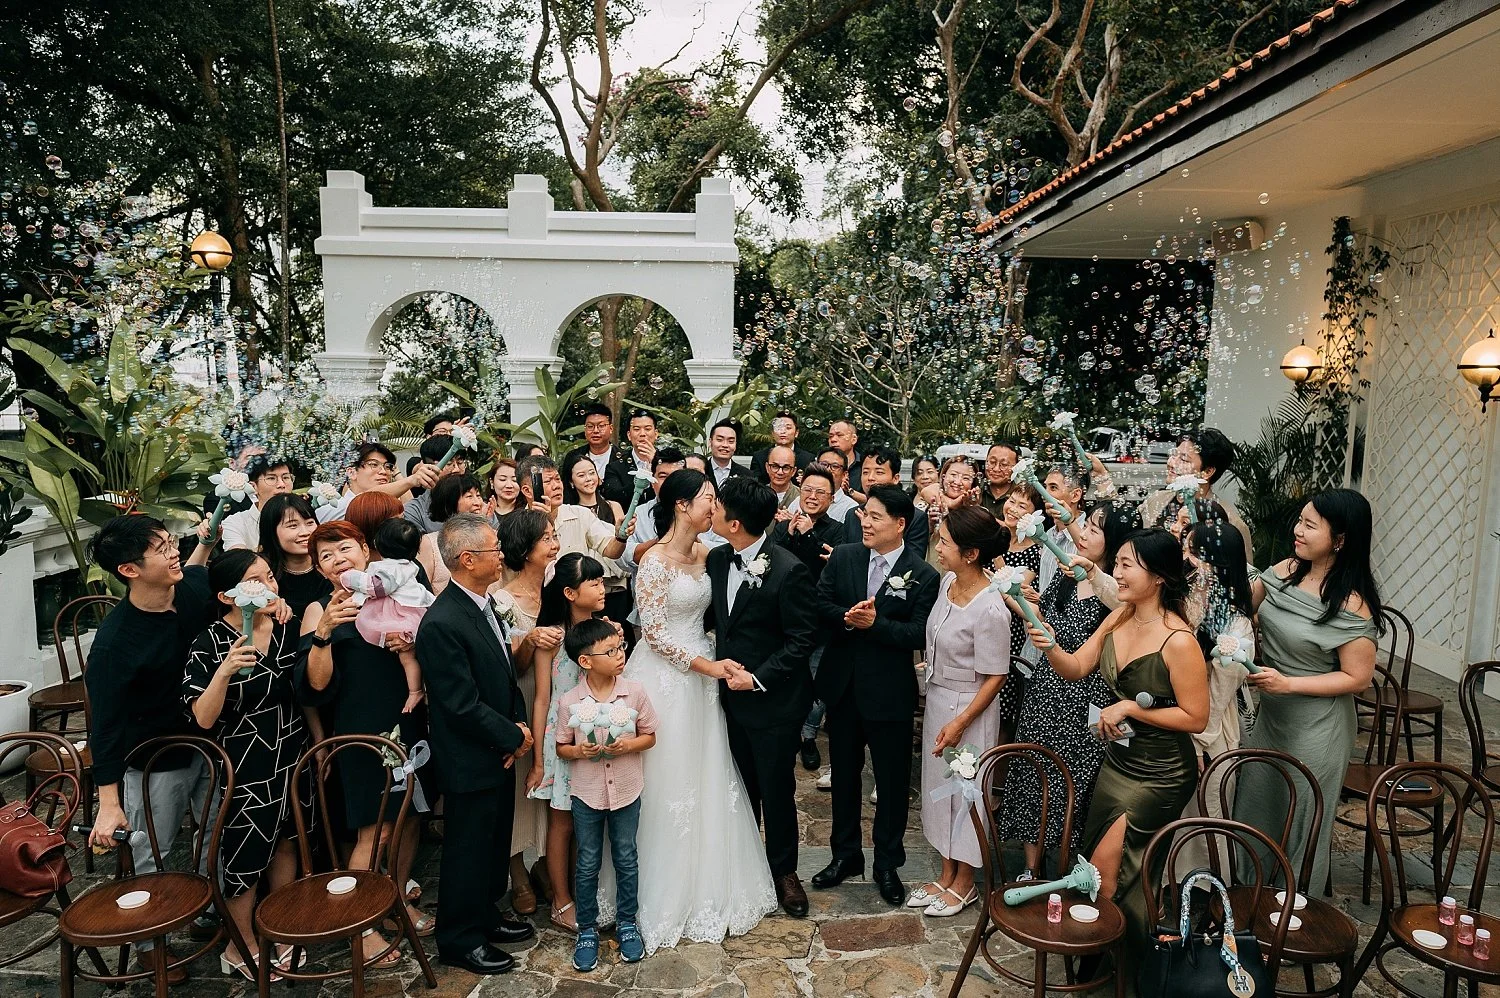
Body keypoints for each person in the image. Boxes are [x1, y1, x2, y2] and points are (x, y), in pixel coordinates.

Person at [1023, 529, 1209, 954]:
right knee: (1099, 861)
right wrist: (1050, 645)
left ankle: (1120, 956)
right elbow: (1075, 668)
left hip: (1160, 771)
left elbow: (1196, 717)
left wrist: (1130, 709)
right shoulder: (1120, 616)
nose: (1117, 573)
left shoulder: (1178, 640)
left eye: (1127, 565)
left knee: (1113, 866)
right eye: (1118, 563)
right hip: (1117, 762)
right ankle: (1110, 953)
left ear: (1159, 576)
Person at [627, 469, 779, 950]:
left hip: (705, 676)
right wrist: (706, 666)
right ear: (680, 505)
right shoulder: (654, 562)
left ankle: (711, 882)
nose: (714, 507)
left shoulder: (713, 555)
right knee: (665, 778)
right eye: (707, 499)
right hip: (668, 678)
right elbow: (653, 633)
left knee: (708, 772)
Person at [83, 515, 220, 983]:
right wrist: (108, 803)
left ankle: (209, 911)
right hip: (153, 760)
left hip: (211, 743)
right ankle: (149, 943)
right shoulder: (115, 643)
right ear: (129, 570)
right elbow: (104, 726)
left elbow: (204, 569)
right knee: (153, 854)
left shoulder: (191, 591)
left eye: (169, 541)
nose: (173, 551)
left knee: (216, 837)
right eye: (161, 548)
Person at [298, 520, 432, 964]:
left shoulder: (394, 588)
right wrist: (324, 635)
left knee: (410, 817)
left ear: (365, 550)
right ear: (320, 569)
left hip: (409, 721)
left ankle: (393, 899)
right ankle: (361, 927)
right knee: (375, 830)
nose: (339, 559)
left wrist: (408, 641)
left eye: (345, 548)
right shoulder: (320, 609)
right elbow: (314, 689)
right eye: (327, 556)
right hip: (361, 732)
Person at [1234, 489, 1380, 893]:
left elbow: (1357, 678)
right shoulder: (1285, 570)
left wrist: (1289, 682)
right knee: (1257, 805)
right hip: (1272, 713)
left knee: (1301, 819)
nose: (1297, 531)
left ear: (1340, 539)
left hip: (1318, 725)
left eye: (1309, 526)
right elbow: (1240, 608)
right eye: (1299, 520)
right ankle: (1247, 900)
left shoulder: (1352, 604)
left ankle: (1292, 913)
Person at [414, 514, 538, 975]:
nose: (502, 556)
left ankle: (485, 914)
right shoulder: (443, 622)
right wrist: (514, 735)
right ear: (468, 560)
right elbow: (459, 703)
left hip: (498, 749)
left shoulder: (482, 605)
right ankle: (459, 939)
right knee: (468, 850)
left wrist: (518, 726)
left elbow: (503, 678)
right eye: (494, 550)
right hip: (470, 756)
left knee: (491, 843)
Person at [810, 485, 939, 905]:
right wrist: (847, 620)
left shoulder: (922, 574)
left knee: (891, 781)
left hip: (890, 692)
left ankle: (887, 863)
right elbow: (820, 603)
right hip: (844, 687)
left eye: (876, 516)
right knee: (844, 777)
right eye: (865, 513)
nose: (865, 521)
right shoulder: (846, 555)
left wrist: (875, 625)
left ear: (900, 524)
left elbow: (919, 633)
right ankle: (845, 855)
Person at [185, 550, 310, 979]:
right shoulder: (210, 643)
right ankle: (241, 946)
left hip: (291, 751)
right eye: (255, 581)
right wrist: (223, 673)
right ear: (226, 595)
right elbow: (202, 717)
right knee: (245, 853)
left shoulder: (283, 626)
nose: (268, 586)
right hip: (244, 762)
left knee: (289, 839)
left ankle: (285, 927)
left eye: (269, 577)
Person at [999, 501, 1135, 880]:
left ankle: (1070, 865)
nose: (1084, 534)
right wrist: (1021, 603)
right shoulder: (1068, 573)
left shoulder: (1118, 592)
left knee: (1077, 782)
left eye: (1094, 529)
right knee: (1034, 772)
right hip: (1045, 688)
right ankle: (1030, 866)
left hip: (1088, 698)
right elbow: (1048, 621)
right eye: (1086, 525)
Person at [708, 476, 822, 917]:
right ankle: (745, 863)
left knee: (776, 789)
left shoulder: (790, 570)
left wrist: (755, 678)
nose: (712, 511)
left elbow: (801, 640)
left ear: (734, 523)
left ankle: (783, 873)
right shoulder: (718, 559)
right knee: (739, 787)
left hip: (773, 703)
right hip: (725, 699)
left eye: (718, 507)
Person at [911, 505, 1010, 916]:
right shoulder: (948, 581)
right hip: (938, 700)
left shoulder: (991, 607)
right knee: (939, 791)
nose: (938, 548)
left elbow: (995, 676)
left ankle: (966, 881)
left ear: (971, 553)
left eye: (946, 543)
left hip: (970, 711)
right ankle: (946, 873)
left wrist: (961, 722)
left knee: (966, 794)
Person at [556, 617, 659, 973]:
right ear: (586, 661)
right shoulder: (570, 702)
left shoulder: (634, 691)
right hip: (586, 794)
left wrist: (628, 744)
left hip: (628, 789)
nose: (619, 655)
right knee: (587, 861)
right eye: (610, 650)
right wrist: (578, 752)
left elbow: (650, 735)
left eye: (620, 647)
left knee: (626, 855)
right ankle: (587, 929)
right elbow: (561, 747)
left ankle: (627, 922)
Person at [526, 553, 607, 934]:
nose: (602, 589)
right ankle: (561, 901)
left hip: (599, 736)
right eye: (594, 583)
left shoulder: (605, 630)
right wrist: (539, 762)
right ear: (571, 592)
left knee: (589, 823)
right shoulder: (552, 637)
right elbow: (542, 698)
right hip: (561, 739)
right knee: (563, 824)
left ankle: (583, 892)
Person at [491, 509, 560, 915]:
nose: (554, 543)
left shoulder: (554, 588)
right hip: (522, 694)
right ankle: (517, 873)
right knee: (521, 789)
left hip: (556, 696)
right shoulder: (502, 600)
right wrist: (531, 640)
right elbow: (511, 667)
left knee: (550, 785)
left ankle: (544, 866)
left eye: (554, 535)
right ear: (524, 548)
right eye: (546, 538)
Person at [768, 463, 846, 773]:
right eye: (808, 490)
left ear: (831, 496)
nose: (812, 497)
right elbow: (769, 562)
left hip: (819, 620)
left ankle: (809, 736)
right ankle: (784, 732)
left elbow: (833, 571)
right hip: (783, 618)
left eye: (820, 492)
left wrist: (809, 534)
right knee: (784, 677)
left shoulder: (838, 530)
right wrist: (788, 535)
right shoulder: (781, 525)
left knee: (817, 682)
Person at [341, 518, 433, 715]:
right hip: (411, 612)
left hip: (397, 615)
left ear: (377, 544)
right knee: (408, 657)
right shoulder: (408, 564)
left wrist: (350, 577)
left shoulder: (389, 567)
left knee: (407, 657)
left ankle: (415, 690)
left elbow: (379, 587)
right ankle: (417, 689)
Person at [1139, 428, 1253, 563]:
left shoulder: (1230, 523)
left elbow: (1241, 576)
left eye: (1183, 459)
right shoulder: (1157, 500)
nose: (1171, 463)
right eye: (1174, 455)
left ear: (1207, 471)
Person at [317, 442, 438, 523]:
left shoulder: (392, 510)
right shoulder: (332, 509)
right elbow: (364, 502)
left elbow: (410, 512)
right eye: (374, 465)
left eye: (388, 466)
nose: (383, 471)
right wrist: (411, 480)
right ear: (352, 472)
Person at [257, 492, 331, 622]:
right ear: (271, 531)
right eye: (292, 526)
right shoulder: (261, 574)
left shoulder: (331, 566)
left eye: (309, 523)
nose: (305, 532)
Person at [843, 447, 929, 555]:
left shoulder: (915, 518)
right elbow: (846, 555)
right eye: (865, 472)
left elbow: (913, 564)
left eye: (879, 472)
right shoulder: (853, 514)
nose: (870, 478)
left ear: (895, 479)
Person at [416, 473, 490, 597]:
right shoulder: (429, 543)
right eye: (469, 496)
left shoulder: (491, 538)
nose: (477, 502)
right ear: (449, 501)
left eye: (478, 495)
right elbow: (422, 590)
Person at [564, 403, 639, 508]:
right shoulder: (573, 456)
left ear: (611, 428)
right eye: (590, 426)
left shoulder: (624, 458)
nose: (595, 431)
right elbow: (567, 489)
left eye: (601, 426)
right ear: (585, 429)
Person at [221, 456, 296, 551]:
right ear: (253, 487)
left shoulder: (305, 516)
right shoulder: (236, 523)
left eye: (286, 477)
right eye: (271, 478)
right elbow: (238, 561)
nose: (281, 485)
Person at [404, 434, 473, 534]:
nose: (456, 469)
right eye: (448, 464)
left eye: (460, 462)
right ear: (428, 466)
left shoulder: (478, 504)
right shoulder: (414, 511)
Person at [787, 448, 859, 523]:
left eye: (835, 466)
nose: (828, 469)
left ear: (844, 474)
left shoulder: (850, 507)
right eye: (824, 465)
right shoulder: (799, 500)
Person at [751, 412, 815, 483]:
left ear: (796, 433)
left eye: (788, 428)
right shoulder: (759, 457)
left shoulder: (808, 459)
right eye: (779, 427)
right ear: (772, 433)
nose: (783, 431)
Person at [976, 443, 1019, 519]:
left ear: (1016, 467)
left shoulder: (1022, 495)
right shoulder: (974, 488)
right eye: (992, 462)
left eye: (1004, 464)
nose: (996, 469)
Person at [706, 418, 749, 487]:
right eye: (720, 440)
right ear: (710, 442)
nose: (725, 445)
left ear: (735, 445)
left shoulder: (746, 475)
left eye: (731, 441)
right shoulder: (701, 470)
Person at [762, 445, 802, 514]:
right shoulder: (757, 497)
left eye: (786, 468)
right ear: (767, 467)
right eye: (775, 466)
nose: (780, 472)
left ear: (794, 471)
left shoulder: (801, 498)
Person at [827, 419, 862, 496]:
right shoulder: (821, 465)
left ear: (854, 439)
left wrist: (848, 491)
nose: (833, 440)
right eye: (830, 436)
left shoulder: (864, 465)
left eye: (839, 435)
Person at [625, 409, 659, 486]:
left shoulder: (668, 461)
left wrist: (656, 462)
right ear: (629, 435)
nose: (642, 434)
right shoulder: (615, 466)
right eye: (637, 429)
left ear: (656, 434)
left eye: (647, 429)